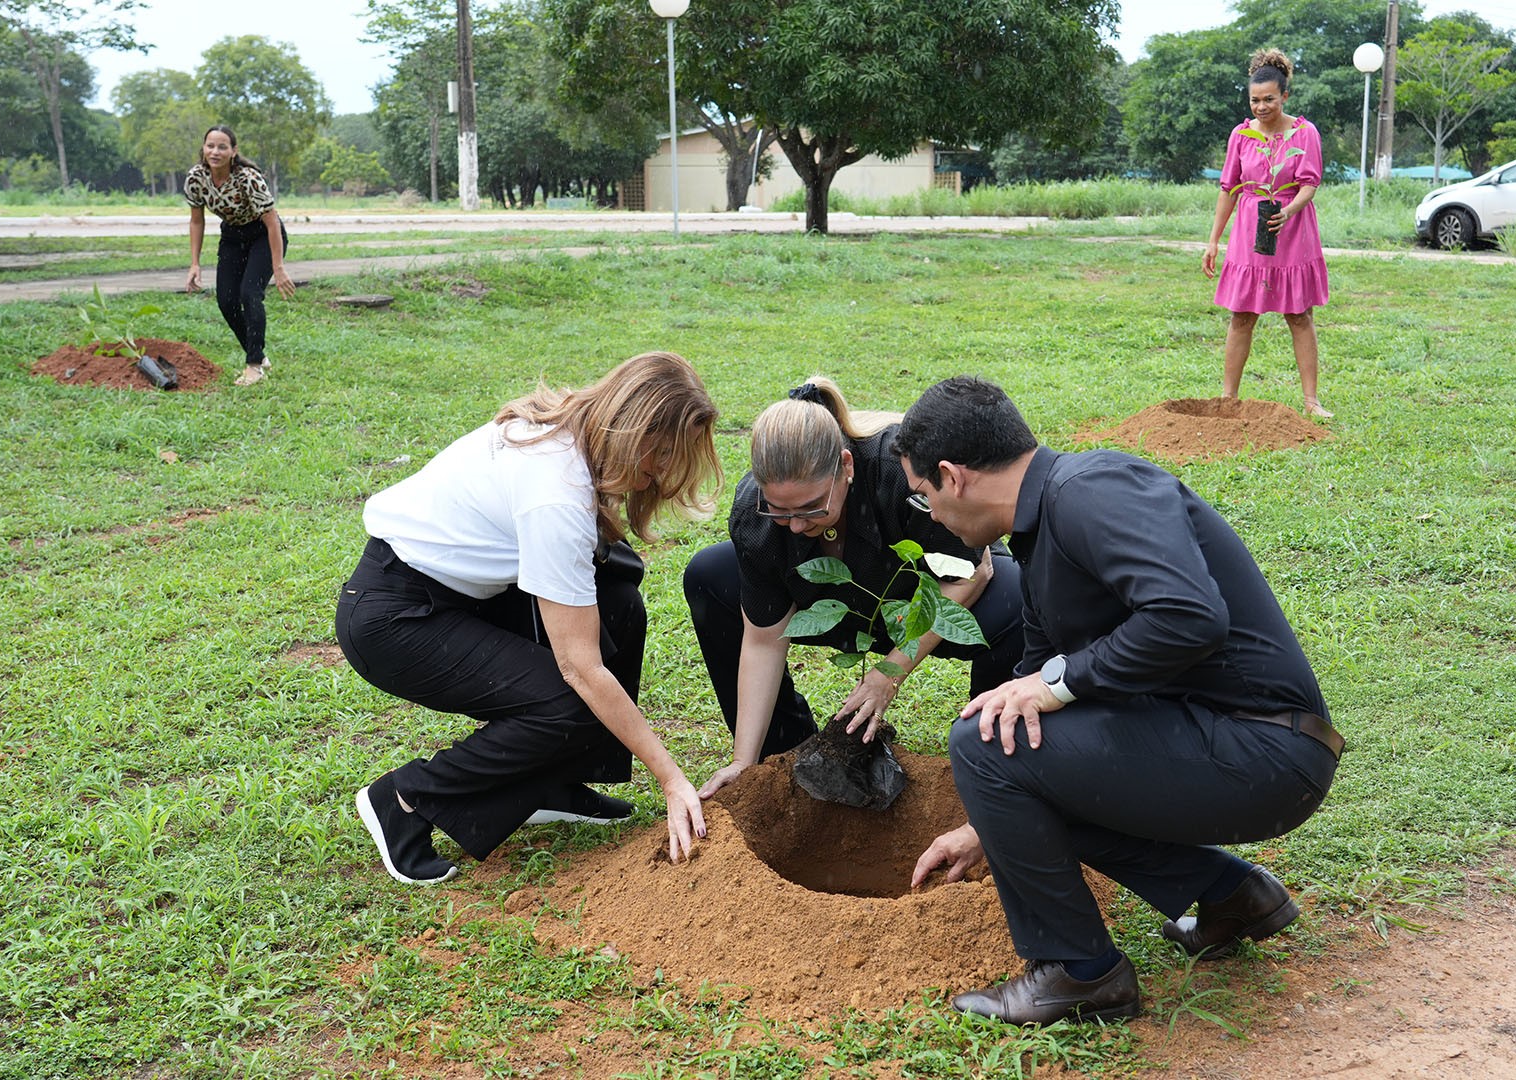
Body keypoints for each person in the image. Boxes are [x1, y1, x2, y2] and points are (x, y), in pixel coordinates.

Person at [897, 375, 1342, 1025]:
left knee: (980, 739)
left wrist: (1056, 685)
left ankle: (1081, 974)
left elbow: (1189, 615)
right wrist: (986, 826)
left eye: (922, 497)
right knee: (1008, 736)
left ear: (951, 476)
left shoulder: (1092, 490)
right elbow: (1030, 722)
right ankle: (1229, 895)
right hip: (1228, 743)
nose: (930, 515)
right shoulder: (1041, 539)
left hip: (1267, 747)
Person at [339, 352, 722, 885]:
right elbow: (581, 669)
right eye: (659, 455)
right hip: (396, 617)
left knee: (618, 604)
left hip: (460, 592)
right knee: (574, 699)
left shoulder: (574, 429)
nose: (658, 473)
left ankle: (555, 783)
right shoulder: (555, 492)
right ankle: (405, 799)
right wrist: (673, 779)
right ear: (633, 432)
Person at [683, 377, 1024, 798]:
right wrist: (743, 761)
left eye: (811, 508)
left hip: (921, 599)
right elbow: (763, 642)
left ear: (846, 467)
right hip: (837, 604)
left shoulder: (899, 473)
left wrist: (889, 672)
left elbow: (972, 572)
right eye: (780, 511)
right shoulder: (756, 516)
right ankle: (783, 753)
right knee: (710, 574)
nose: (796, 526)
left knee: (1017, 597)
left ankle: (988, 756)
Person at [1201, 48, 1333, 418]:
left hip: (1293, 229)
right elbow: (1228, 188)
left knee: (1300, 315)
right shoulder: (1241, 136)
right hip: (1249, 228)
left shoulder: (1304, 133)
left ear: (1285, 96)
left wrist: (1290, 210)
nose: (1261, 107)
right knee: (1241, 315)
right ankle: (1228, 399)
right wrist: (1213, 240)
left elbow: (1310, 183)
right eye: (1254, 100)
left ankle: (1311, 402)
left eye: (1269, 99)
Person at [183, 124, 295, 387]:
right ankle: (258, 353)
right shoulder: (196, 178)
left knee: (249, 293)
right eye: (210, 145)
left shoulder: (248, 178)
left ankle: (254, 365)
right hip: (232, 237)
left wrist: (278, 267)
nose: (215, 151)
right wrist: (195, 263)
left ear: (233, 151)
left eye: (222, 146)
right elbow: (196, 221)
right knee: (226, 300)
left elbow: (272, 223)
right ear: (203, 148)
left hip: (262, 236)